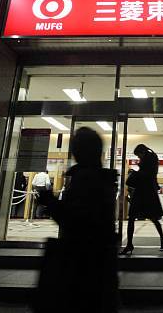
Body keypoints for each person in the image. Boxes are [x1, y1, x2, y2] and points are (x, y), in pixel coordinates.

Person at [34, 127, 119, 312]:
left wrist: (50, 202)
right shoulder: (102, 177)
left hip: (80, 262)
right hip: (99, 260)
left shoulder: (84, 178)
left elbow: (76, 220)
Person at [119, 144, 163, 254]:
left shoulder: (149, 158)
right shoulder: (151, 157)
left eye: (138, 155)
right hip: (146, 191)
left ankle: (130, 244)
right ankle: (130, 244)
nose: (138, 158)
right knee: (152, 218)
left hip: (145, 191)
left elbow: (146, 174)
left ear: (142, 152)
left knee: (144, 217)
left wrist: (135, 174)